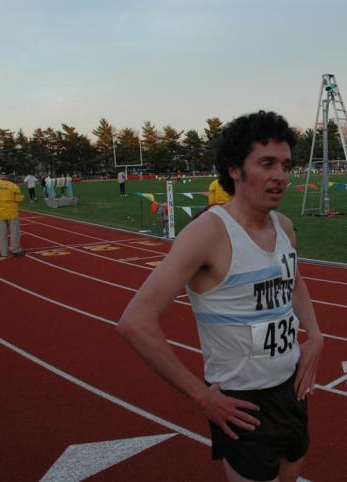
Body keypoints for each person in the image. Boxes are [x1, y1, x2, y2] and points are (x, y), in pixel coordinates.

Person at [117, 111, 323, 482]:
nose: (281, 176)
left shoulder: (285, 226)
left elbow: (293, 279)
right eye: (267, 164)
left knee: (291, 474)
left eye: (286, 165)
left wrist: (315, 334)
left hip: (291, 388)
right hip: (242, 400)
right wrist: (200, 395)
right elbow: (134, 322)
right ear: (234, 170)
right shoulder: (207, 235)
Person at [0, 173, 25, 257]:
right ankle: (16, 250)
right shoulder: (13, 186)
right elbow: (19, 199)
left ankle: (3, 252)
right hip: (12, 212)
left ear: (0, 177)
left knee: (2, 233)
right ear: (7, 177)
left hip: (0, 213)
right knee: (14, 232)